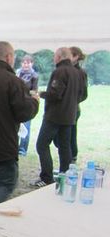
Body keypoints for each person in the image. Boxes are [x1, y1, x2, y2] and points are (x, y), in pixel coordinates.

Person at [0, 42, 39, 204]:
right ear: (9, 57)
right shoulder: (13, 81)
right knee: (6, 183)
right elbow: (24, 113)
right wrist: (35, 102)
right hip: (2, 144)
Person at [32, 47, 82, 187]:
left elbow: (55, 94)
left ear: (59, 57)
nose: (53, 58)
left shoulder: (60, 71)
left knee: (42, 145)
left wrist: (40, 94)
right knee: (64, 146)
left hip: (55, 116)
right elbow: (81, 94)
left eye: (54, 56)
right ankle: (64, 176)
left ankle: (46, 177)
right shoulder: (77, 72)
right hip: (69, 115)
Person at [16, 54, 39, 156]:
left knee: (26, 126)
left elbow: (34, 90)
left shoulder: (34, 75)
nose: (26, 65)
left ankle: (23, 149)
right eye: (24, 63)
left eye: (28, 63)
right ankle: (15, 146)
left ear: (31, 64)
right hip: (17, 101)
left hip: (27, 102)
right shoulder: (18, 73)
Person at [69, 46, 88, 163]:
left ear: (76, 57)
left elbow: (84, 94)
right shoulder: (67, 70)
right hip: (66, 109)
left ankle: (72, 157)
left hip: (73, 109)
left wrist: (72, 102)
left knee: (71, 134)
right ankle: (69, 156)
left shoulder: (80, 72)